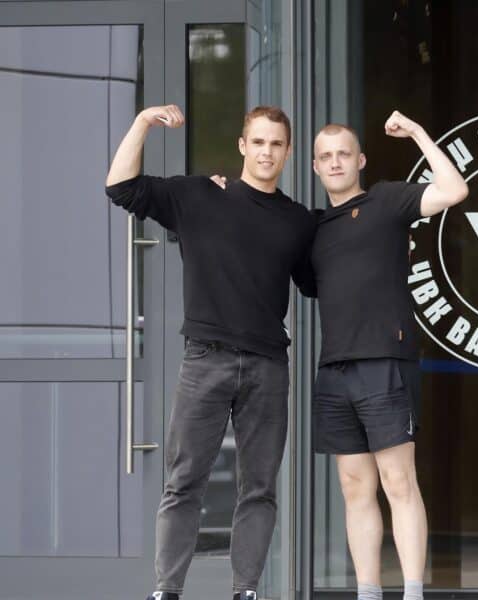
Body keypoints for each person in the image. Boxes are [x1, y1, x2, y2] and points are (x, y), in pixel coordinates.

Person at [105, 104, 316, 600]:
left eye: (276, 144)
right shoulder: (198, 194)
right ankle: (167, 591)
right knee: (184, 483)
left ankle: (245, 591)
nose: (267, 151)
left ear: (287, 152)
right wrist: (141, 123)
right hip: (206, 359)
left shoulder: (298, 222)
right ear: (243, 146)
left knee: (260, 488)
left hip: (268, 367)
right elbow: (120, 187)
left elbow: (319, 282)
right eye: (258, 142)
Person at [309, 111, 467, 600]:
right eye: (325, 156)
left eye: (343, 154)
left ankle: (413, 592)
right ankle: (368, 592)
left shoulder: (386, 200)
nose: (335, 162)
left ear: (360, 160)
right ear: (315, 166)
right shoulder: (313, 229)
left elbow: (453, 190)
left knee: (398, 482)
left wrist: (419, 133)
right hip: (334, 370)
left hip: (385, 362)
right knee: (355, 488)